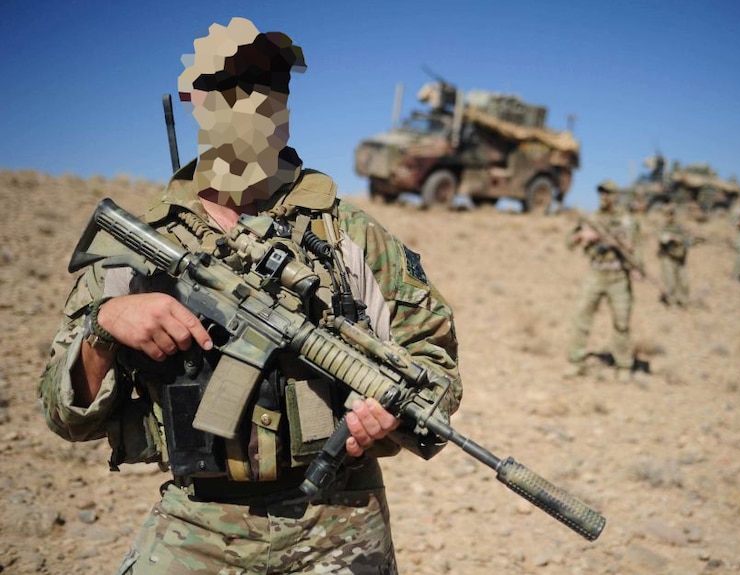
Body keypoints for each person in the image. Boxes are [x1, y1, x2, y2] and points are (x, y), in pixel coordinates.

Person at [38, 17, 460, 575]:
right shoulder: (142, 245)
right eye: (230, 91)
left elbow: (438, 369)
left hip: (339, 516)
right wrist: (106, 324)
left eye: (270, 91)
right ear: (194, 100)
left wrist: (389, 412)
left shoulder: (348, 234)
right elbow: (64, 416)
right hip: (198, 521)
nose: (252, 108)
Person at [566, 179, 642, 378]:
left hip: (618, 276)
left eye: (608, 193)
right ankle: (576, 361)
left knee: (621, 322)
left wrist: (637, 267)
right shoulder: (592, 218)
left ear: (616, 196)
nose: (604, 197)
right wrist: (582, 236)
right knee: (581, 315)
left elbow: (636, 247)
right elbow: (569, 241)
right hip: (596, 273)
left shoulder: (627, 220)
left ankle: (624, 365)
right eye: (601, 193)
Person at [656, 205, 691, 307]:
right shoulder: (663, 227)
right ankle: (672, 303)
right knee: (670, 282)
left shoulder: (681, 227)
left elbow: (688, 242)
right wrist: (672, 237)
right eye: (667, 215)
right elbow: (662, 239)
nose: (669, 217)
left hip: (680, 257)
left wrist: (683, 241)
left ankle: (684, 301)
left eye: (671, 214)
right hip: (668, 257)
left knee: (684, 282)